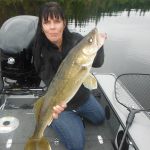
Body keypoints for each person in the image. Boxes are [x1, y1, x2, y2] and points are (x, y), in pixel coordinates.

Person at [31, 1, 106, 150]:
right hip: (60, 106)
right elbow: (53, 84)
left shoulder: (76, 39)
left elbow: (97, 63)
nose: (52, 27)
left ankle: (75, 119)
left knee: (100, 119)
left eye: (57, 21)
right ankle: (45, 129)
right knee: (76, 145)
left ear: (64, 23)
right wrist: (56, 109)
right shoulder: (39, 52)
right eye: (47, 22)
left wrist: (99, 45)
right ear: (42, 26)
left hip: (81, 97)